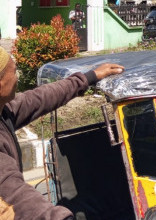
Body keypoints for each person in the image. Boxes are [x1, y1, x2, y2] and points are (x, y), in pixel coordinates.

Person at [0, 46, 123, 219]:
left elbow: (40, 98)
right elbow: (19, 198)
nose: (17, 78)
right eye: (14, 72)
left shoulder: (4, 111)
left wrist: (89, 77)